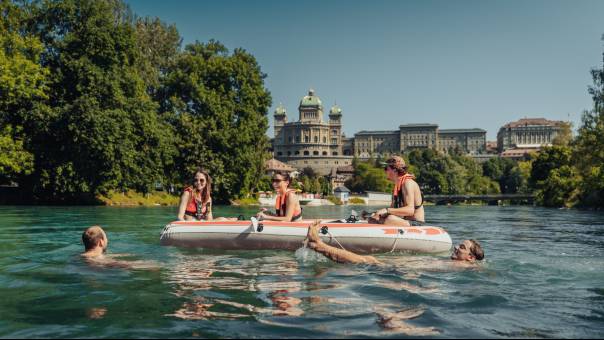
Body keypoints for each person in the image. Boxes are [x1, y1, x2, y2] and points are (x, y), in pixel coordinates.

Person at [372, 156, 425, 227]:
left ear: (394, 170)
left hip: (416, 224)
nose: (385, 171)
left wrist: (386, 210)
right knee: (373, 218)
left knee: (389, 219)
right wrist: (375, 214)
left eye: (386, 168)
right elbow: (392, 210)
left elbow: (410, 210)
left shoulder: (407, 183)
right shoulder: (397, 185)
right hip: (405, 222)